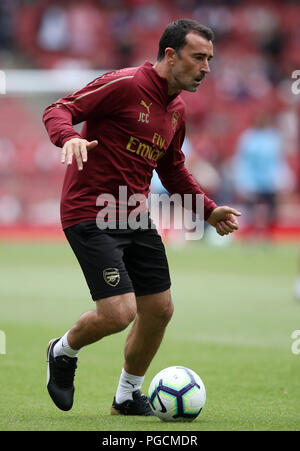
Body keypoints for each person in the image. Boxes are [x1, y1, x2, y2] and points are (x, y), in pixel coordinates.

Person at [43, 18, 241, 415]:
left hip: (134, 215)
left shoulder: (177, 110)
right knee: (119, 312)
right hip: (90, 211)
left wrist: (208, 208)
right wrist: (71, 137)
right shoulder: (126, 83)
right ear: (171, 55)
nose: (206, 68)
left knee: (160, 309)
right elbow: (59, 109)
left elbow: (172, 170)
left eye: (210, 59)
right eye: (198, 57)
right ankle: (62, 351)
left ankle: (127, 396)